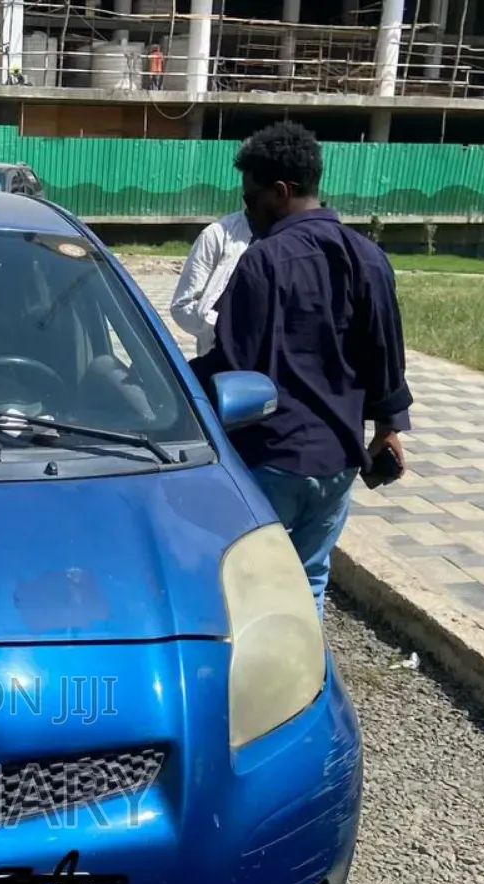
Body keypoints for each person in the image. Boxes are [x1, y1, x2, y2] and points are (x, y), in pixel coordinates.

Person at [192, 121, 412, 619]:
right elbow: (386, 351)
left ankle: (244, 683)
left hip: (270, 458)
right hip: (338, 461)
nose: (247, 210)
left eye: (251, 198)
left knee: (238, 580)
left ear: (282, 191)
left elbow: (231, 363)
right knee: (309, 577)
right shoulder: (369, 257)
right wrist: (389, 428)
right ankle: (299, 680)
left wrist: (171, 384)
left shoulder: (262, 262)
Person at [169, 208, 252, 358]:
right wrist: (224, 325)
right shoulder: (217, 235)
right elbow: (182, 308)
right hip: (222, 364)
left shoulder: (300, 240)